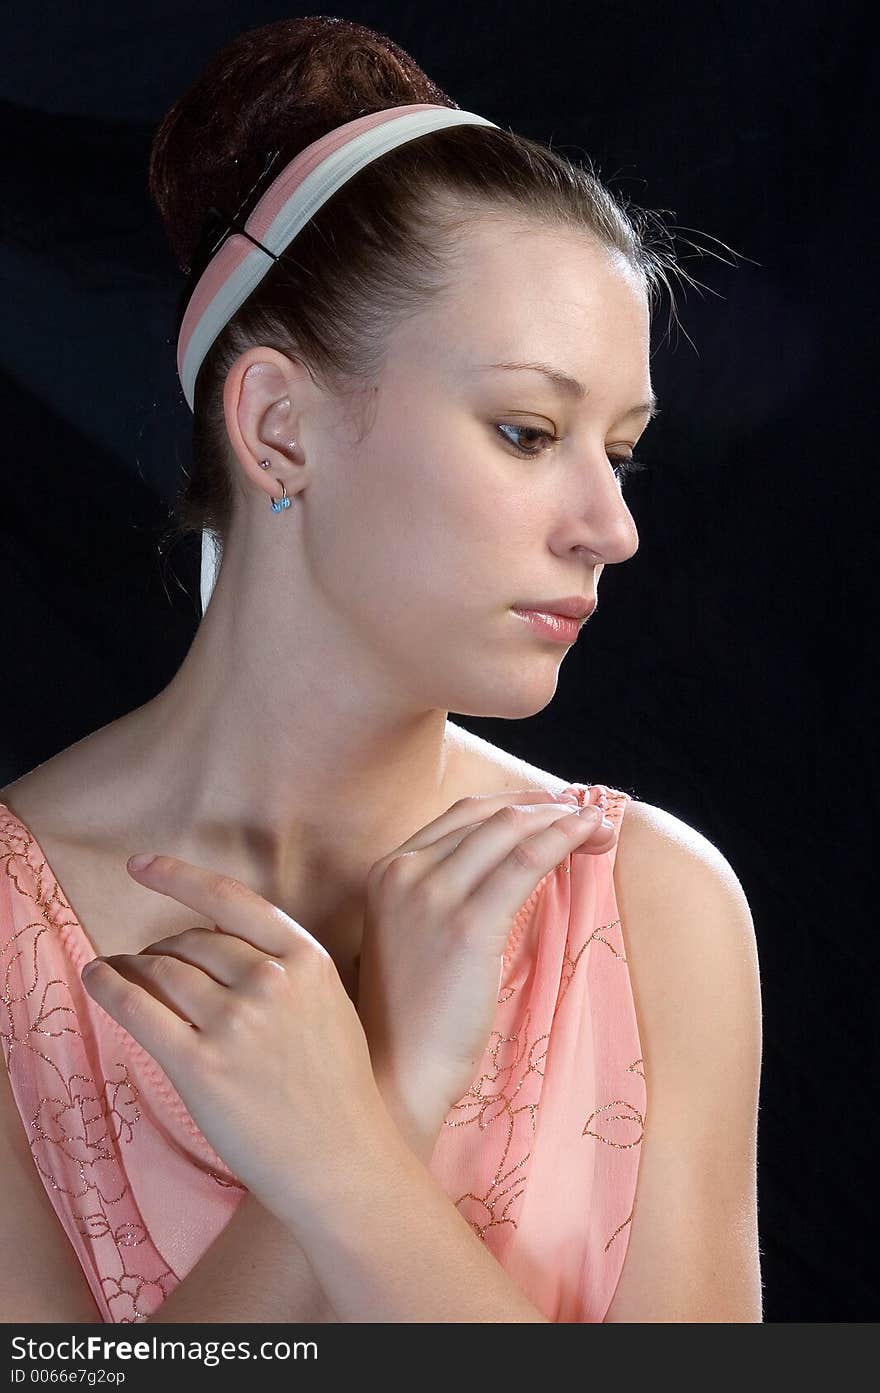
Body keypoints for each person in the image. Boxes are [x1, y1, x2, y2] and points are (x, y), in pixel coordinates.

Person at [0, 16, 762, 1323]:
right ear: (280, 425)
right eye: (529, 430)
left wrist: (346, 1151)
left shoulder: (654, 908)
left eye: (619, 448)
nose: (613, 525)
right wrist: (397, 1080)